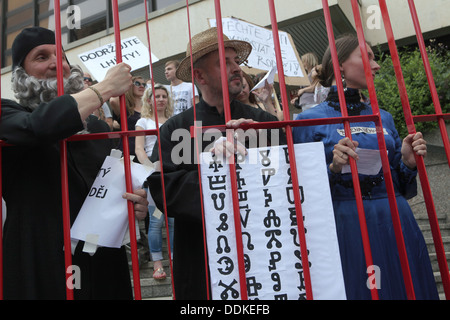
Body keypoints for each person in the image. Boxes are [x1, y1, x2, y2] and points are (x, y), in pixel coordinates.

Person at [0, 26, 149, 300]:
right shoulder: (7, 113)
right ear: (22, 74)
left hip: (100, 258)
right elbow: (38, 127)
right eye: (41, 57)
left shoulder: (95, 126)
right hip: (40, 260)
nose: (57, 64)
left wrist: (133, 205)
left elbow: (110, 189)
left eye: (62, 56)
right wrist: (104, 89)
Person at [292, 34, 439, 300]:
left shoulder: (383, 117)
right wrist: (333, 167)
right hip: (345, 225)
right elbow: (301, 192)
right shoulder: (307, 121)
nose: (377, 65)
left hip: (396, 218)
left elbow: (402, 185)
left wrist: (406, 161)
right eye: (367, 57)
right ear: (340, 66)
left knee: (405, 290)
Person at [146, 27, 286, 299]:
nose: (237, 69)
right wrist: (213, 167)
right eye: (225, 62)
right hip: (202, 258)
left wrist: (261, 145)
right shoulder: (176, 128)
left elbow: (291, 178)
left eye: (237, 61)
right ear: (199, 75)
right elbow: (163, 188)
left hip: (262, 250)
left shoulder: (263, 124)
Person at [135, 84, 175, 280]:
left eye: (163, 96)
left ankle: (176, 261)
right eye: (156, 96)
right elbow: (139, 149)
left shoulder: (174, 121)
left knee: (174, 221)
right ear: (149, 100)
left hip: (173, 175)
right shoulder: (142, 122)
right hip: (153, 177)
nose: (160, 99)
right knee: (156, 221)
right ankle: (158, 264)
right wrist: (151, 169)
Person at [110, 76, 146, 158]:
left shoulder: (149, 109)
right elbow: (112, 100)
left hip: (145, 151)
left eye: (144, 84)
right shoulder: (124, 108)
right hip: (127, 151)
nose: (142, 86)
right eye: (137, 83)